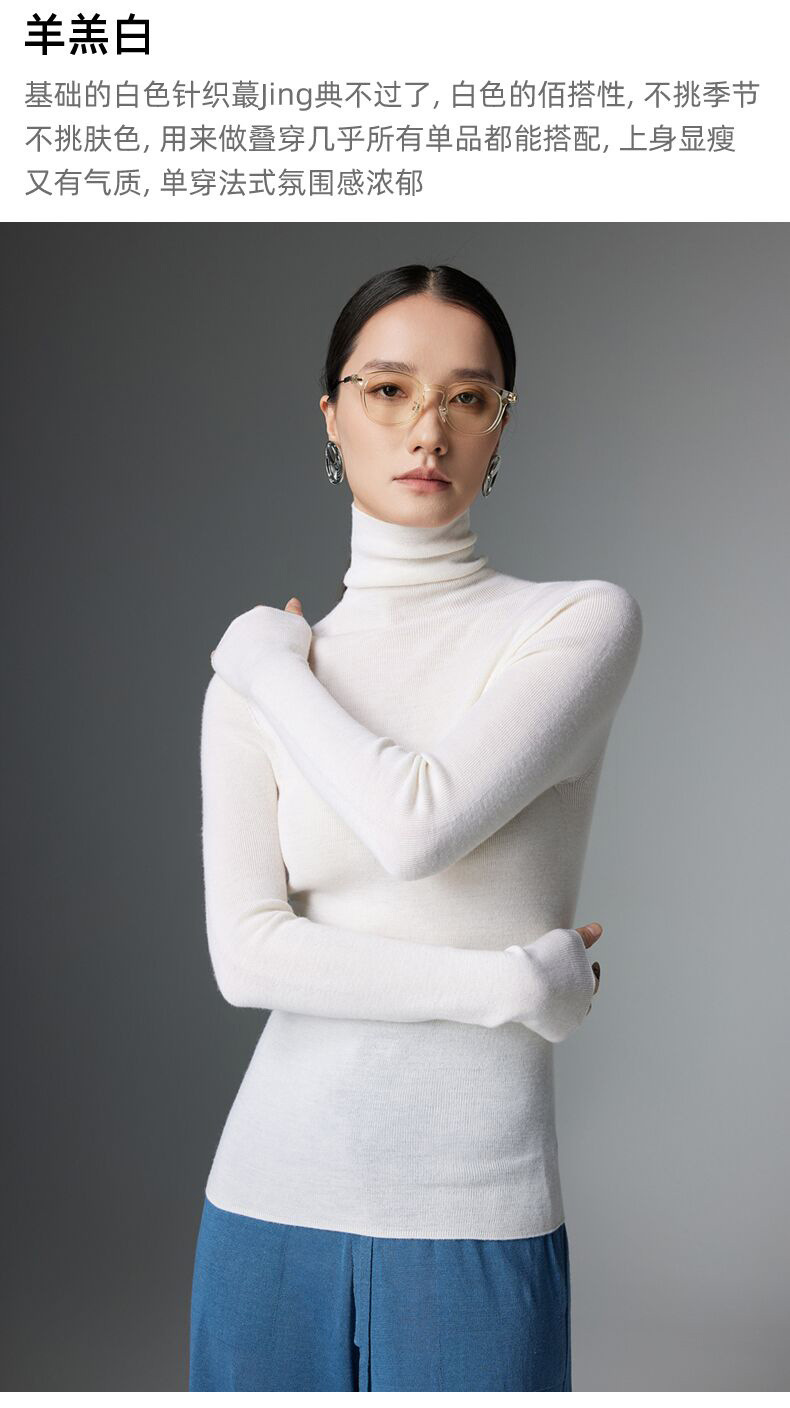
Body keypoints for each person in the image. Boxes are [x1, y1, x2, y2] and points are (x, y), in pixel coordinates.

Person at [188, 263, 643, 1391]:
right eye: (388, 389)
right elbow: (248, 958)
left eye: (467, 397)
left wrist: (270, 672)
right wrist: (510, 985)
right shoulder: (260, 674)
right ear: (331, 415)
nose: (427, 428)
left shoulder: (573, 622)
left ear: (500, 427)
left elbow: (416, 826)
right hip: (265, 1198)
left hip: (475, 1206)